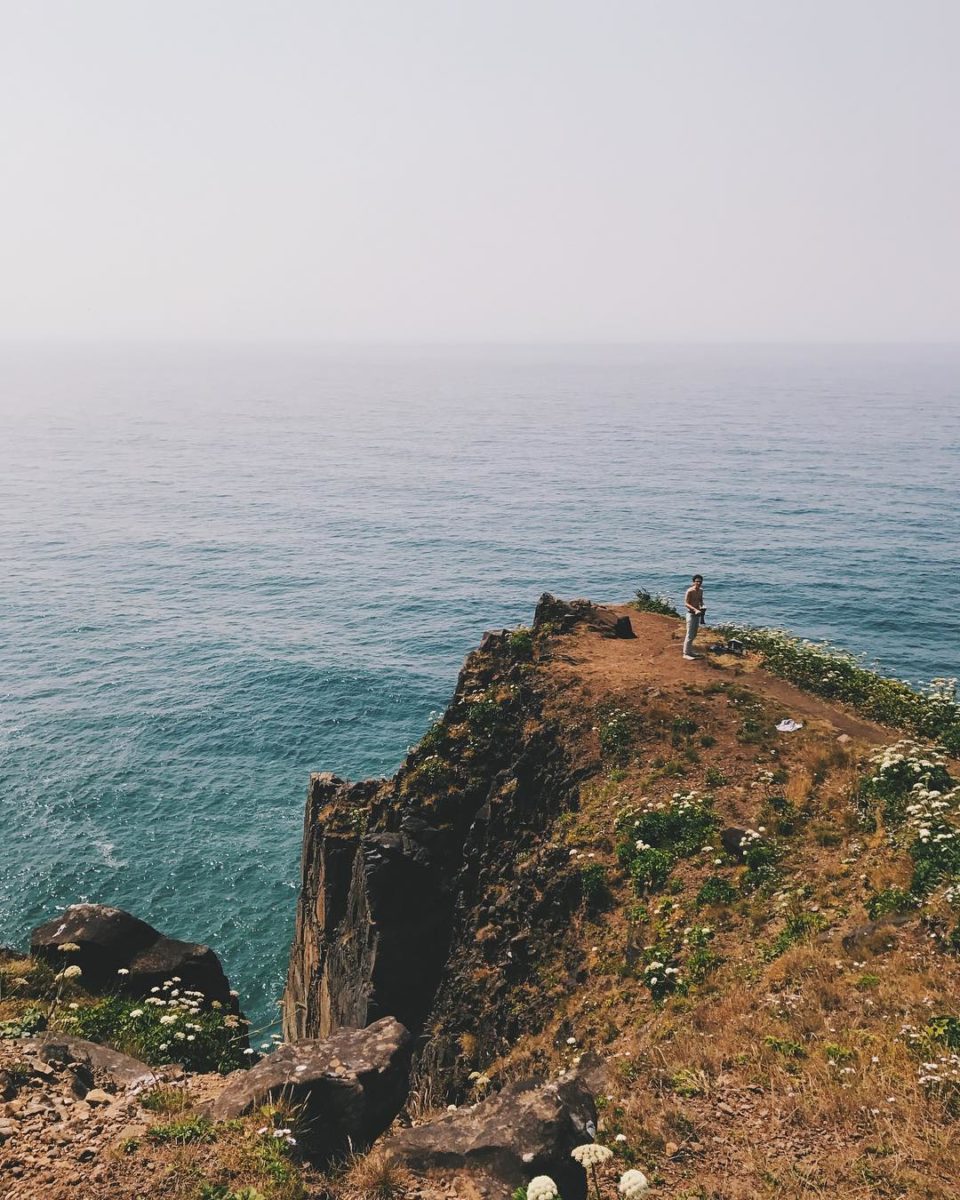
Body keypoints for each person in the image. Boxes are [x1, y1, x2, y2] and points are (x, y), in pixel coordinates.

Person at [683, 574, 706, 660]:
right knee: (689, 634)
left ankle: (690, 651)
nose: (699, 583)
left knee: (694, 634)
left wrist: (702, 606)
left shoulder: (701, 591)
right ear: (693, 582)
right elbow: (686, 603)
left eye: (700, 582)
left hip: (698, 614)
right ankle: (685, 653)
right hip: (691, 614)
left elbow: (700, 600)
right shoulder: (690, 591)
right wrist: (695, 609)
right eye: (697, 581)